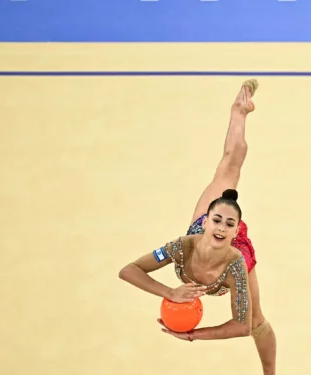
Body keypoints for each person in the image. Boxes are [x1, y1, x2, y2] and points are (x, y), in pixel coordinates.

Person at [118, 80, 277, 375]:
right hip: (196, 242)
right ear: (205, 222)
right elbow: (128, 270)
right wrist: (169, 292)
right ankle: (240, 111)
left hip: (237, 257)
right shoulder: (182, 245)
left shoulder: (237, 264)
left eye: (229, 224)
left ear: (236, 231)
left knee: (257, 323)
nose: (220, 228)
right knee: (229, 165)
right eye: (215, 220)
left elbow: (242, 326)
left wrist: (193, 335)